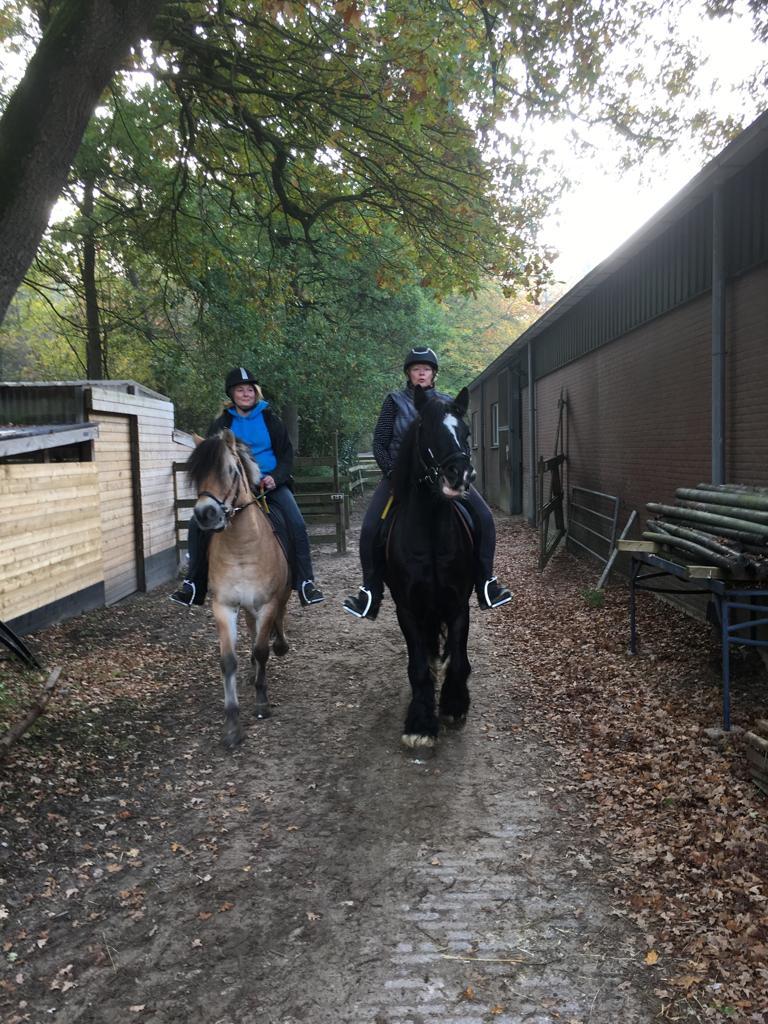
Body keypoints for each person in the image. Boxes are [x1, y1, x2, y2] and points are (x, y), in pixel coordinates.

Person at [343, 346, 512, 619]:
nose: (421, 373)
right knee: (371, 526)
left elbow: (456, 440)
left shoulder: (446, 402)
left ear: (433, 373)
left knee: (484, 516)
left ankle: (486, 584)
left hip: (441, 477)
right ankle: (370, 591)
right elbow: (380, 442)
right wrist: (391, 472)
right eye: (415, 369)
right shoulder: (394, 401)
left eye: (426, 369)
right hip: (401, 477)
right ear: (408, 374)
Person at [171, 366, 324, 608]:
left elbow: (286, 456)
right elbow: (210, 460)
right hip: (231, 488)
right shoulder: (221, 424)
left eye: (250, 389)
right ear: (232, 394)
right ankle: (193, 584)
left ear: (256, 392)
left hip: (269, 485)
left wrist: (275, 477)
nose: (246, 394)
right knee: (197, 524)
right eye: (240, 390)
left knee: (296, 522)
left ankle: (305, 582)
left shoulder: (271, 420)